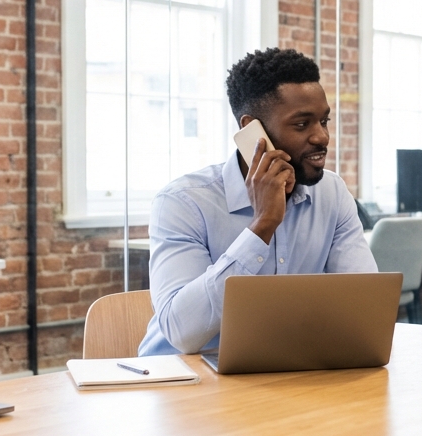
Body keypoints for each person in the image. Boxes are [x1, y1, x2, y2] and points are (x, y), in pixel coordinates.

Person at [137, 47, 376, 359]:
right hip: (182, 381)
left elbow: (366, 309)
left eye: (324, 121)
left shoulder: (331, 193)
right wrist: (262, 226)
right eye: (302, 124)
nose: (322, 137)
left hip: (278, 375)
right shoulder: (183, 202)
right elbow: (183, 333)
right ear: (253, 130)